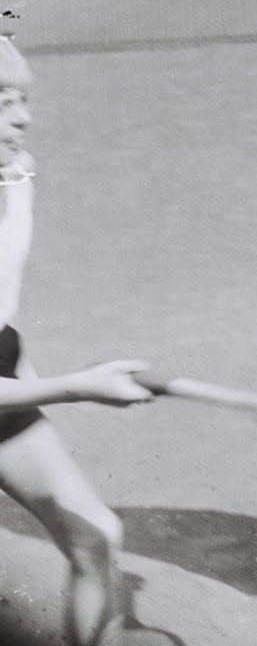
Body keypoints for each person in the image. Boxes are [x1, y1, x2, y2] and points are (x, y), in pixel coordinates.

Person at [0, 34, 153, 645]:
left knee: (96, 537)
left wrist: (33, 386)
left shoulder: (15, 178)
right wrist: (78, 388)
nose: (24, 116)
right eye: (2, 101)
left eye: (22, 99)